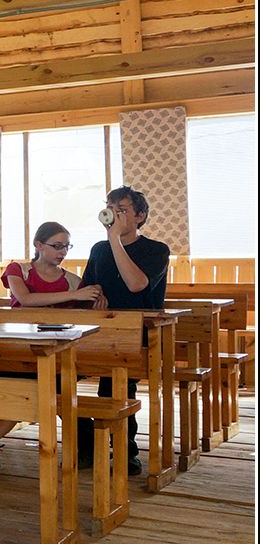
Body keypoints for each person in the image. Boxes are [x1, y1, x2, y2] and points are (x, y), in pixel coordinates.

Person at [0, 222, 106, 476]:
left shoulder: (73, 281)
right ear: (38, 245)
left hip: (53, 354)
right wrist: (72, 296)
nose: (62, 251)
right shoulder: (18, 270)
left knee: (45, 390)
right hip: (15, 348)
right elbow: (25, 300)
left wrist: (97, 302)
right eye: (57, 246)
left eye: (66, 246)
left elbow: (86, 316)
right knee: (14, 392)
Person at [77, 186, 169, 474]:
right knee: (57, 378)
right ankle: (87, 442)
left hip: (138, 336)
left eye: (122, 210)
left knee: (115, 385)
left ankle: (126, 450)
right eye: (110, 208)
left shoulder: (156, 250)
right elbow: (88, 289)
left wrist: (114, 238)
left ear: (140, 216)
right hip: (100, 332)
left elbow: (136, 284)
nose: (113, 215)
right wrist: (94, 300)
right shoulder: (99, 249)